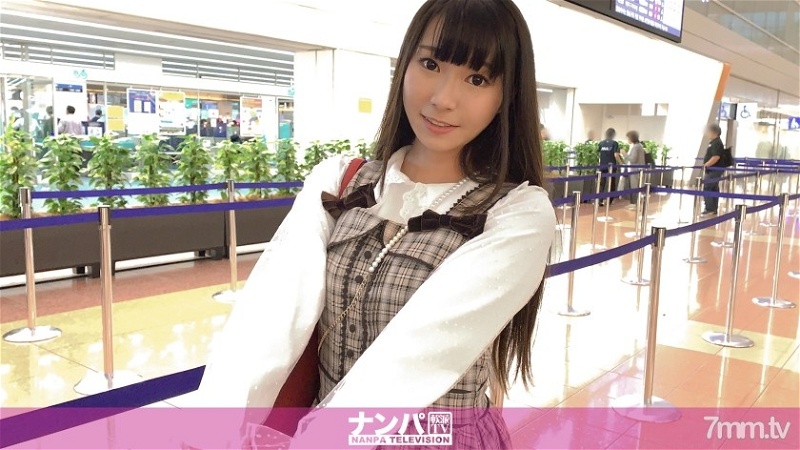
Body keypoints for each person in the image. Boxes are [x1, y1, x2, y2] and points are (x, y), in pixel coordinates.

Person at [192, 0, 555, 448]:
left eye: (477, 79)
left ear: (506, 96)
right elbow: (270, 314)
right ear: (404, 66)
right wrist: (212, 431)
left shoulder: (517, 214)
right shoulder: (339, 180)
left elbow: (418, 353)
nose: (443, 98)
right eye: (430, 64)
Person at [701, 123, 725, 215]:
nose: (707, 133)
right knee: (713, 188)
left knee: (708, 187)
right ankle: (713, 208)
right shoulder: (714, 142)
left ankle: (710, 208)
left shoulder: (716, 143)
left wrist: (706, 165)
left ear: (714, 132)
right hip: (713, 170)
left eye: (708, 131)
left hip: (714, 170)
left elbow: (716, 157)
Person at [597, 128, 620, 205]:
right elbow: (616, 155)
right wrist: (621, 163)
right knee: (611, 183)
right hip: (611, 166)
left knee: (601, 183)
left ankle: (600, 200)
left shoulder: (601, 143)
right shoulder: (614, 143)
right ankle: (609, 200)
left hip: (602, 165)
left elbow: (599, 155)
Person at [624, 130, 645, 203]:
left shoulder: (635, 147)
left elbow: (633, 159)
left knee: (634, 186)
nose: (627, 140)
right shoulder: (639, 146)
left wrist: (625, 154)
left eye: (628, 138)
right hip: (638, 170)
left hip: (634, 170)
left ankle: (635, 203)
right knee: (638, 186)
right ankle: (636, 202)